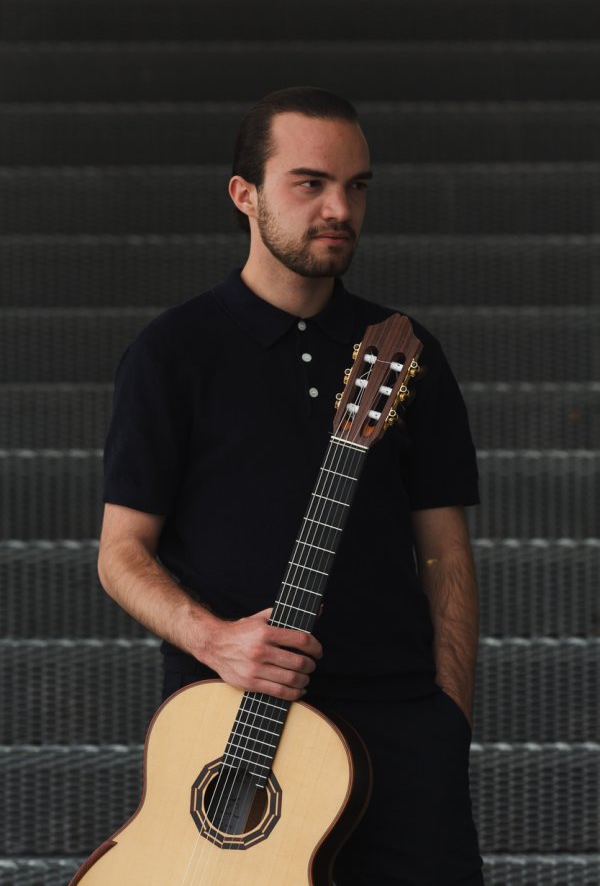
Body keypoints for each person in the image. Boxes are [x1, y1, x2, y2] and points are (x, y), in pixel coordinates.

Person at [99, 86, 484, 885]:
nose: (339, 209)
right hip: (231, 734)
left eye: (356, 185)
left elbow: (445, 554)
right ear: (244, 194)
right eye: (310, 183)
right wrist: (214, 640)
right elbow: (120, 553)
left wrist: (449, 721)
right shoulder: (173, 353)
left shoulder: (405, 352)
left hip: (402, 737)